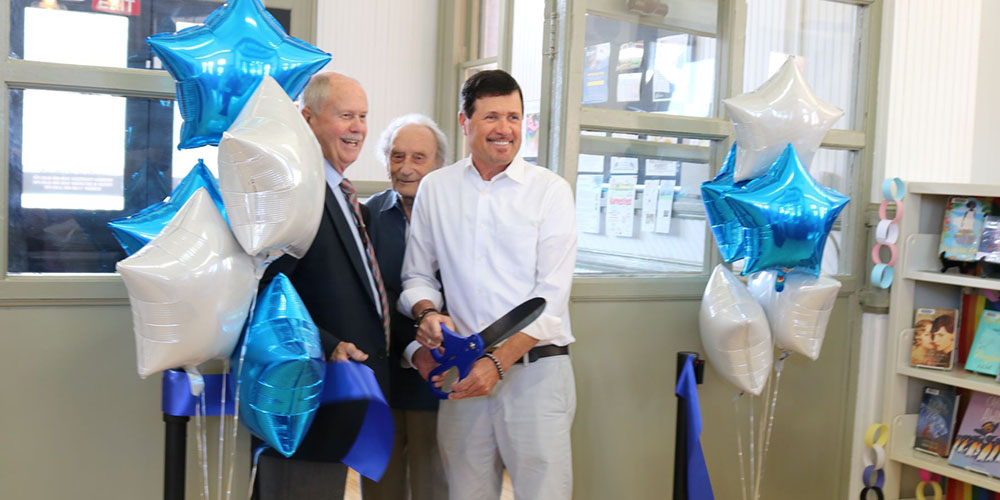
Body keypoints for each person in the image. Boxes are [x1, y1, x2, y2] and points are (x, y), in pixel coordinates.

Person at [400, 69, 578, 500]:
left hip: (536, 374)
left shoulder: (550, 191)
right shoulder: (436, 190)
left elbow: (550, 300)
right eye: (492, 117)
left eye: (514, 118)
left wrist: (496, 365)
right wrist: (425, 313)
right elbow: (417, 275)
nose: (505, 130)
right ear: (465, 122)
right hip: (463, 376)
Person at [253, 72, 391, 499]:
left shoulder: (348, 199)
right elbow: (265, 292)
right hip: (306, 400)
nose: (357, 128)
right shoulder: (291, 190)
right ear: (307, 118)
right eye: (345, 115)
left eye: (363, 117)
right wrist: (329, 343)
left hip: (345, 400)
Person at [362, 114, 450, 500]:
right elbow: (368, 300)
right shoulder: (366, 216)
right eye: (398, 157)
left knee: (436, 483)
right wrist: (412, 348)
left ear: (438, 165)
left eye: (419, 158)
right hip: (383, 377)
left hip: (442, 376)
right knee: (382, 484)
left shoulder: (456, 218)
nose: (407, 168)